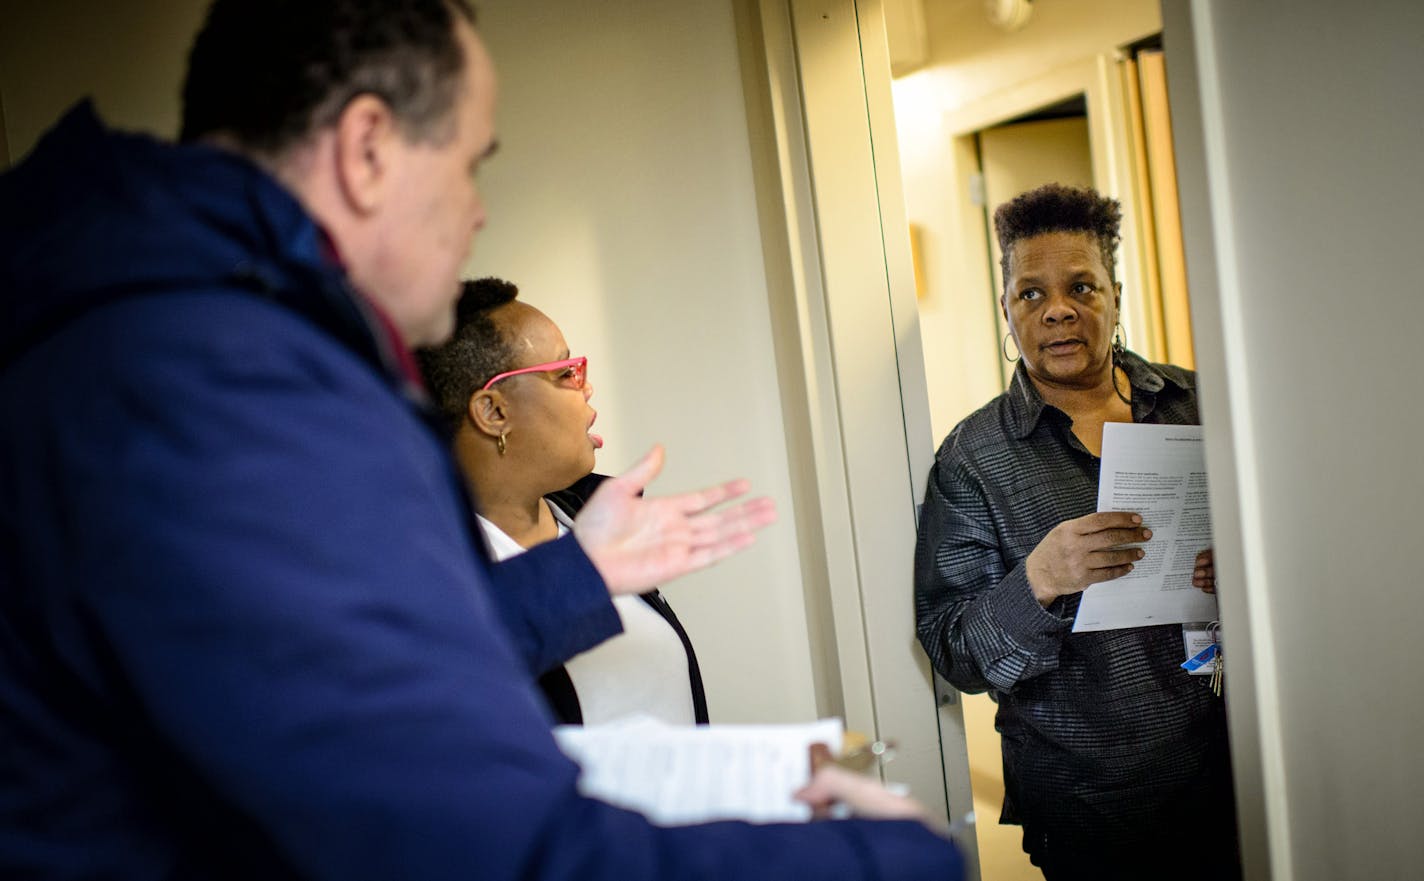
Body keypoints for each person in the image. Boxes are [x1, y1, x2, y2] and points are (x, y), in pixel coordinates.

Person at [0, 2, 965, 880]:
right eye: (470, 162)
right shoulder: (226, 379)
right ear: (367, 147)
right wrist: (886, 857)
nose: (478, 209)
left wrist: (577, 580)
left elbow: (319, 669)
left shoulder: (147, 340)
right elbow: (472, 846)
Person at [913, 184, 1236, 881]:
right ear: (1007, 308)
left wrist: (1244, 569)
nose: (1057, 308)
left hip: (1238, 774)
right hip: (1088, 808)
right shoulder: (973, 458)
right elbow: (951, 647)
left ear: (1115, 296)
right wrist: (1040, 579)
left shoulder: (1200, 403)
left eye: (1081, 287)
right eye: (1031, 294)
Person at [419, 277, 708, 725]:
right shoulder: (441, 582)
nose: (586, 387)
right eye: (565, 373)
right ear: (494, 412)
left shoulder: (594, 523)